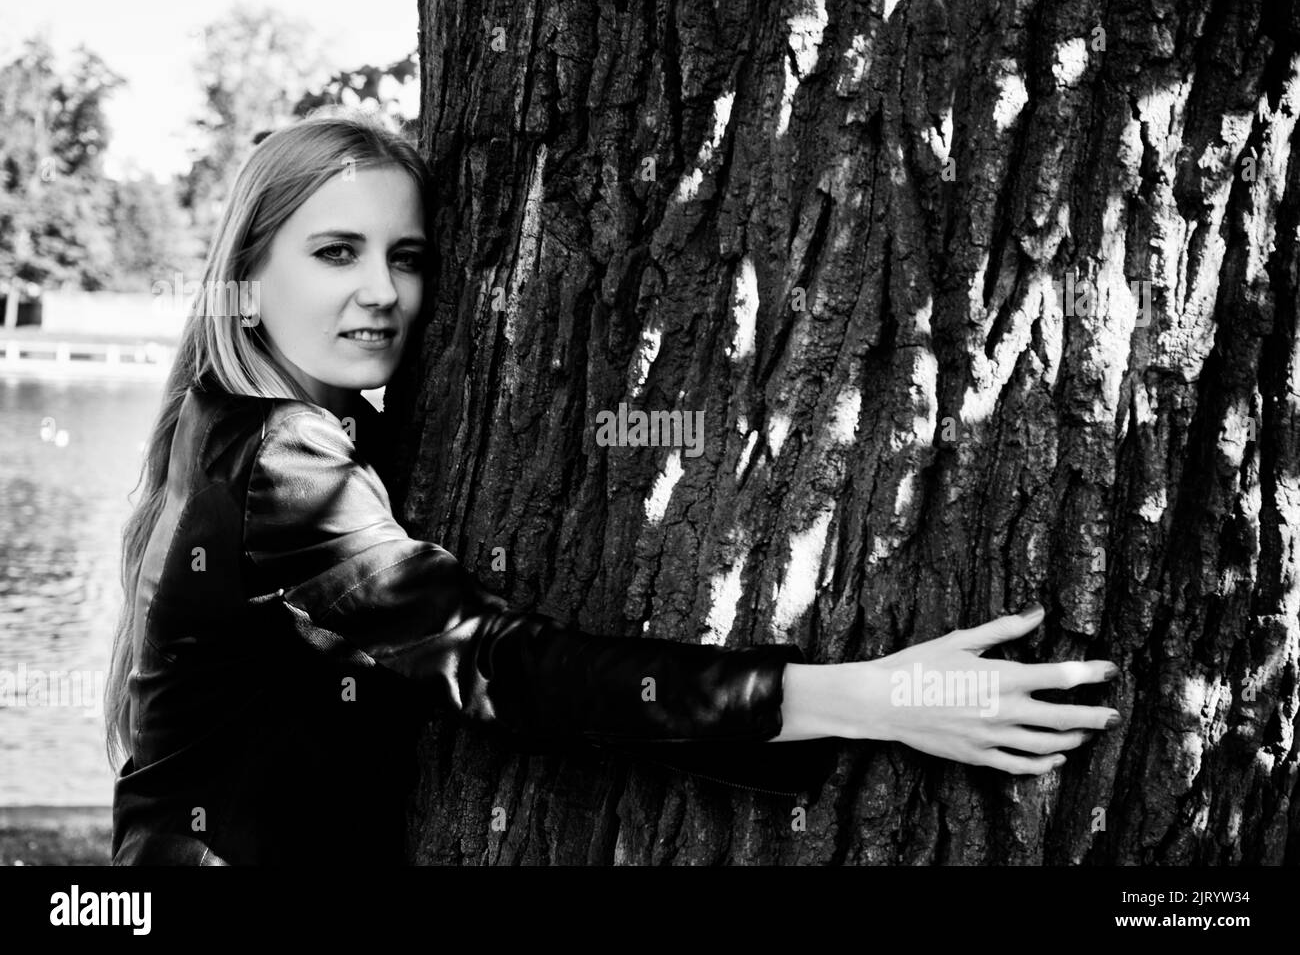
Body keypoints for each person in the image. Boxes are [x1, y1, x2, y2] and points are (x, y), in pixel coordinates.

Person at [104, 107, 1121, 865]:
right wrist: (864, 696)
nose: (382, 291)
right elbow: (495, 662)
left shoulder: (249, 424)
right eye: (336, 252)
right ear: (247, 273)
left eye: (407, 257)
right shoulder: (282, 455)